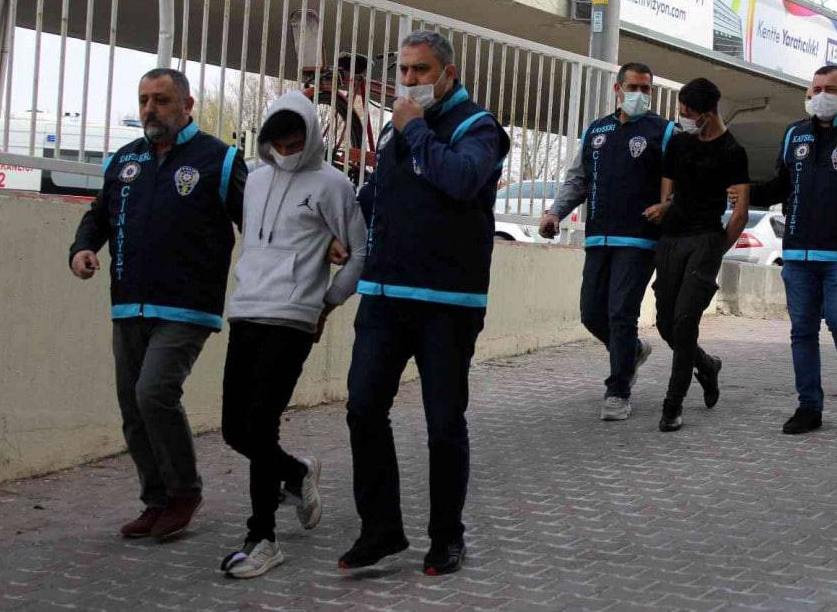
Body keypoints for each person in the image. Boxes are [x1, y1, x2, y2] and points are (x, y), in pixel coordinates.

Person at [340, 31, 510, 576]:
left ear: (448, 74)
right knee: (364, 407)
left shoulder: (477, 127)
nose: (410, 80)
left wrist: (413, 128)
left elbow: (460, 180)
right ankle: (381, 529)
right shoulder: (400, 130)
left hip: (446, 303)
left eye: (422, 70)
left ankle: (447, 536)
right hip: (384, 296)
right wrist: (347, 228)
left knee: (443, 423)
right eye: (405, 71)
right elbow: (382, 192)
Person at [69, 68, 247, 540]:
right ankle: (156, 500)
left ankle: (184, 492)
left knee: (154, 392)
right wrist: (82, 249)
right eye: (144, 99)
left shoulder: (219, 159)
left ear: (186, 106)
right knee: (133, 406)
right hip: (129, 305)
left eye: (162, 100)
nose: (150, 109)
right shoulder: (124, 160)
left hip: (187, 307)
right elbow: (99, 216)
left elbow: (256, 222)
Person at [218, 92, 367, 578]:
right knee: (235, 429)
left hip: (293, 317)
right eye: (278, 143)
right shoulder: (255, 180)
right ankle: (296, 472)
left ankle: (262, 537)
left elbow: (362, 252)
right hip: (246, 310)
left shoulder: (333, 185)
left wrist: (328, 302)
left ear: (312, 135)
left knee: (261, 425)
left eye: (295, 141)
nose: (286, 150)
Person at [748, 65, 837, 434]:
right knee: (802, 331)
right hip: (798, 255)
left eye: (830, 89)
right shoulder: (794, 134)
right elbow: (781, 186)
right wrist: (744, 190)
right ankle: (809, 406)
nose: (821, 95)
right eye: (816, 88)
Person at [538, 61, 676, 421]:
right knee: (591, 313)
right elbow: (578, 180)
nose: (639, 94)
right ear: (618, 89)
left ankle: (618, 390)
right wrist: (554, 213)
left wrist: (667, 207)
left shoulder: (663, 131)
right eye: (633, 88)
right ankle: (632, 351)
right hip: (598, 237)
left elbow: (679, 181)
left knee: (621, 313)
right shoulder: (596, 131)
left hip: (639, 240)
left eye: (646, 88)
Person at [646, 78, 749, 432]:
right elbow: (667, 193)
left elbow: (740, 213)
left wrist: (716, 250)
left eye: (689, 113)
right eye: (681, 112)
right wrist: (664, 208)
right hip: (672, 240)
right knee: (665, 323)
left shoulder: (733, 151)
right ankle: (706, 365)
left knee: (685, 320)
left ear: (708, 113)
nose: (683, 118)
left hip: (705, 239)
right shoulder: (678, 144)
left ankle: (672, 405)